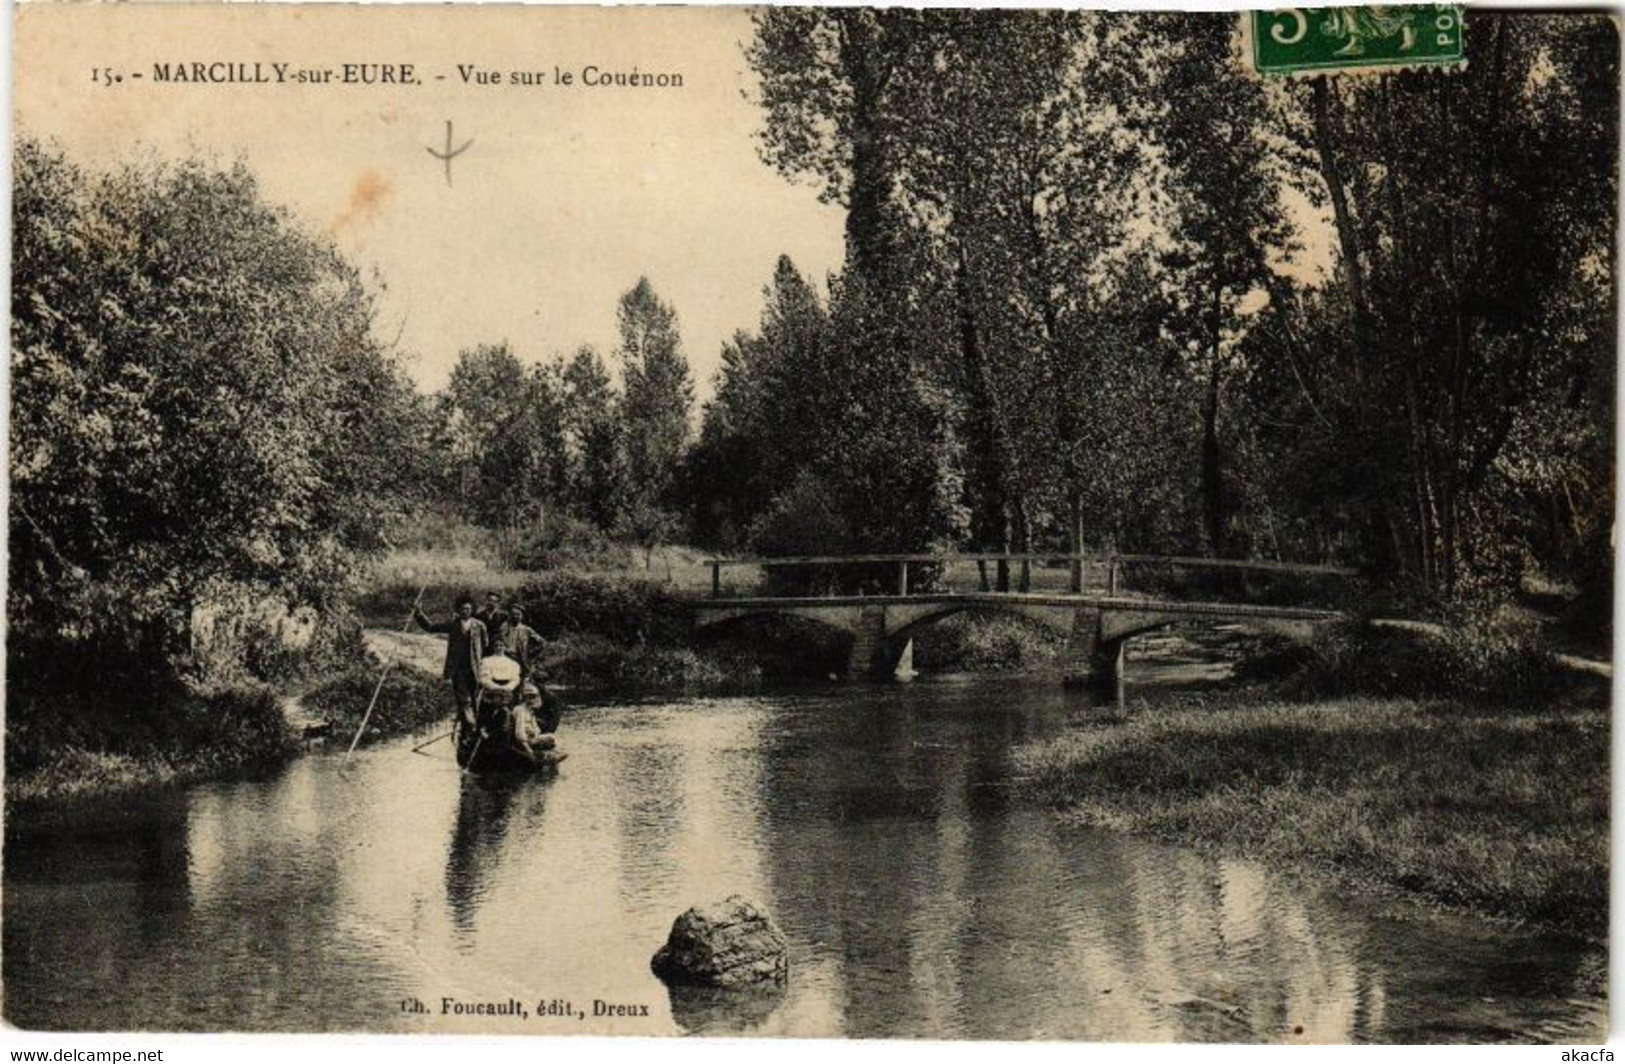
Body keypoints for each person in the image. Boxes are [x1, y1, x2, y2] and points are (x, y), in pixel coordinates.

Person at [413, 595, 487, 726]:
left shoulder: (479, 626)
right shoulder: (453, 624)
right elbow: (431, 627)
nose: (465, 611)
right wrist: (419, 613)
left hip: (474, 668)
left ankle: (475, 727)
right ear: (459, 610)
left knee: (475, 698)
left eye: (468, 609)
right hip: (457, 668)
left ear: (472, 610)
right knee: (463, 699)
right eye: (463, 609)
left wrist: (484, 664)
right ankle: (468, 725)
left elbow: (485, 645)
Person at [501, 604, 544, 678]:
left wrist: (531, 653)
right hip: (506, 657)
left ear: (522, 616)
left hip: (520, 659)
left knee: (520, 680)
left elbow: (541, 642)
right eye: (513, 614)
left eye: (518, 614)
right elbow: (497, 640)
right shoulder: (504, 628)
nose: (515, 616)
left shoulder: (526, 630)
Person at [474, 591, 509, 656]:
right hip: (483, 647)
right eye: (489, 600)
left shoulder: (503, 616)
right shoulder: (479, 616)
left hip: (497, 647)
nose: (491, 603)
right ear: (486, 601)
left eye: (494, 601)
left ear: (497, 603)